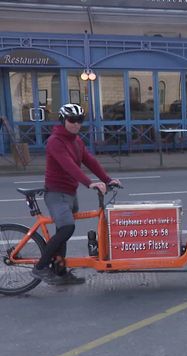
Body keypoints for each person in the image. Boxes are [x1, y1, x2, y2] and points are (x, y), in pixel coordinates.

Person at [31, 103, 121, 285]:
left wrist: (107, 179)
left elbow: (90, 161)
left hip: (71, 194)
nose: (76, 124)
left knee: (62, 235)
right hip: (56, 194)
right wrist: (89, 183)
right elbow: (68, 166)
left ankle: (60, 272)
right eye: (72, 120)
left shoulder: (77, 141)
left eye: (80, 120)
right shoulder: (55, 141)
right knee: (66, 228)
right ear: (63, 120)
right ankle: (40, 268)